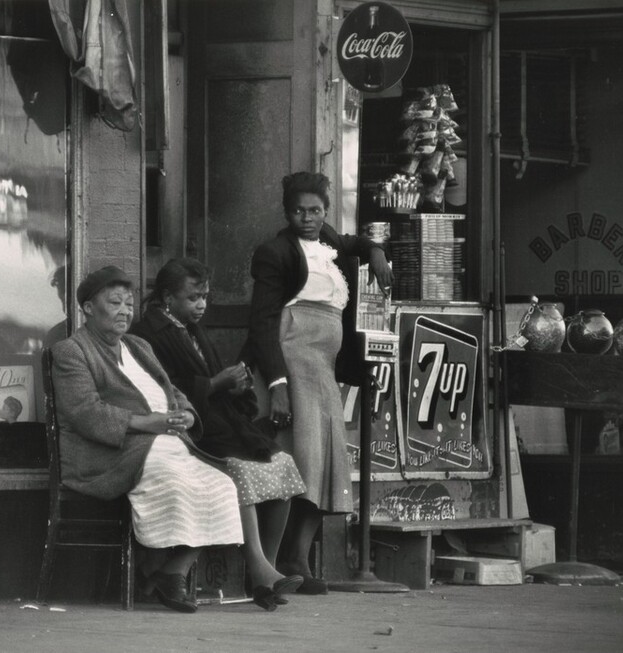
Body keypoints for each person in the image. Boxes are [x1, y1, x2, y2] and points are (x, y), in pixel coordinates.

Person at [51, 266, 244, 613]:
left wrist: (186, 414)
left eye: (129, 303)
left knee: (222, 484)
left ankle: (173, 571)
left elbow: (172, 389)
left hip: (166, 443)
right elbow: (85, 413)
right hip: (111, 453)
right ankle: (152, 572)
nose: (125, 311)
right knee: (173, 479)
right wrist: (147, 423)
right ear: (88, 309)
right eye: (115, 303)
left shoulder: (138, 345)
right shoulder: (72, 351)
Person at [242, 171, 393, 594]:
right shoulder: (275, 253)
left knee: (323, 462)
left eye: (315, 210)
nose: (307, 218)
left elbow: (353, 242)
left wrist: (376, 251)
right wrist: (276, 383)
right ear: (286, 213)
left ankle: (298, 556)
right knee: (295, 458)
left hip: (323, 366)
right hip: (292, 357)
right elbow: (263, 321)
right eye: (298, 211)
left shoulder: (329, 240)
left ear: (325, 211)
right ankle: (270, 564)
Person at [130, 258, 306, 610]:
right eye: (193, 298)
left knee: (282, 463)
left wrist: (236, 385)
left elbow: (214, 378)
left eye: (205, 298)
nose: (202, 306)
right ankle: (261, 572)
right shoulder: (148, 334)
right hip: (197, 432)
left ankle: (264, 571)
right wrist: (215, 383)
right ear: (167, 297)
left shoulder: (190, 329)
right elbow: (164, 391)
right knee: (240, 471)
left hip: (226, 423)